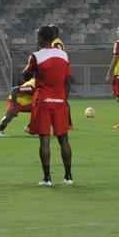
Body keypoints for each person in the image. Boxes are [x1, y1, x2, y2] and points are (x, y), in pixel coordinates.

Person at [23, 26, 73, 186]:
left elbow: (25, 75)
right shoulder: (63, 55)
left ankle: (47, 178)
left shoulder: (36, 56)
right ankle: (68, 176)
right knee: (63, 138)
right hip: (60, 101)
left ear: (41, 38)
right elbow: (68, 80)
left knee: (44, 139)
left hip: (43, 101)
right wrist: (64, 99)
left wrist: (32, 68)